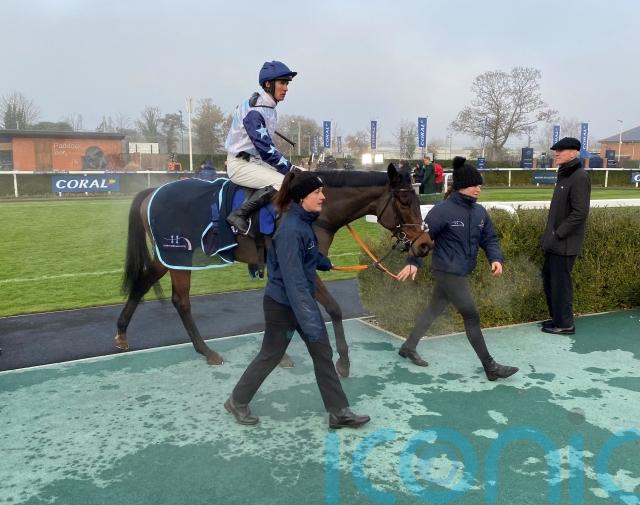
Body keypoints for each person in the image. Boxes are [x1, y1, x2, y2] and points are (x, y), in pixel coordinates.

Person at [224, 171, 370, 429]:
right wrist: (311, 321)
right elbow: (294, 282)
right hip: (283, 306)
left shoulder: (303, 222)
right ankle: (237, 400)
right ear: (302, 197)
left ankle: (338, 412)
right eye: (317, 193)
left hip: (299, 302)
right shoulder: (291, 229)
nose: (322, 197)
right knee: (271, 355)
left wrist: (324, 263)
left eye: (322, 192)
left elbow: (307, 254)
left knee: (322, 352)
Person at [396, 156, 519, 381]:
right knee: (471, 315)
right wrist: (413, 262)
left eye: (480, 185)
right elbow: (423, 240)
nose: (478, 189)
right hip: (447, 271)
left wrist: (495, 258)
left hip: (461, 270)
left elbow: (489, 238)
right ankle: (490, 367)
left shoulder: (479, 211)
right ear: (461, 186)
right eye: (474, 185)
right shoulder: (442, 211)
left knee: (433, 310)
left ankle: (408, 346)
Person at [224, 60, 299, 235]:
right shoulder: (255, 112)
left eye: (287, 83)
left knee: (296, 176)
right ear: (268, 84)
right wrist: (290, 168)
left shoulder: (267, 107)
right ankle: (239, 215)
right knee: (283, 182)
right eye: (282, 83)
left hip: (254, 162)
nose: (286, 88)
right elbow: (266, 151)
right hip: (240, 165)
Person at [539, 137, 591, 335]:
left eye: (561, 150)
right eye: (556, 150)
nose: (556, 153)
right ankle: (558, 319)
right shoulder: (565, 174)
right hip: (555, 242)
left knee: (561, 285)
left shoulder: (579, 176)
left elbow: (580, 212)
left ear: (573, 153)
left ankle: (565, 325)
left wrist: (558, 233)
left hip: (565, 243)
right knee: (550, 281)